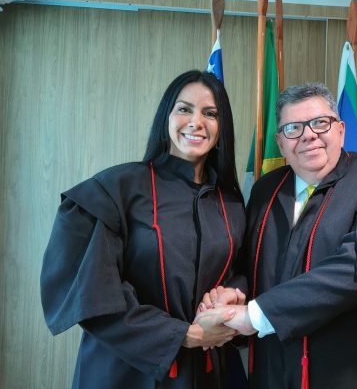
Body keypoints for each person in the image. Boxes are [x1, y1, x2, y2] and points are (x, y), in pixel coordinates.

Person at [196, 82, 357, 388]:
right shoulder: (267, 191)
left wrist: (253, 315)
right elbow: (250, 265)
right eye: (293, 128)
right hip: (276, 372)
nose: (308, 135)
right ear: (281, 143)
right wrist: (234, 293)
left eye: (321, 123)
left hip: (356, 375)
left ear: (341, 130)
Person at [40, 70, 247, 389]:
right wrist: (184, 335)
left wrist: (229, 296)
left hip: (205, 372)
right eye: (184, 109)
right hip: (125, 371)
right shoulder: (117, 189)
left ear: (223, 128)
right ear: (166, 117)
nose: (196, 122)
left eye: (210, 113)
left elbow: (239, 271)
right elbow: (95, 293)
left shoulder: (230, 203)